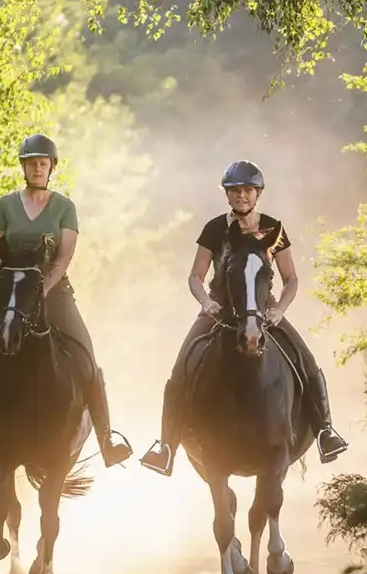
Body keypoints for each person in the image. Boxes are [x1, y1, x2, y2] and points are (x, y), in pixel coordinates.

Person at [139, 159, 349, 475]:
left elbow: (291, 279)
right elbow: (195, 276)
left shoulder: (273, 229)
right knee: (181, 367)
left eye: (247, 190)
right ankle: (166, 446)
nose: (241, 196)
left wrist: (279, 310)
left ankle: (325, 431)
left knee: (305, 359)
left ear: (258, 193)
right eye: (234, 191)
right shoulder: (214, 229)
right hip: (220, 311)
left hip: (263, 311)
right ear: (227, 195)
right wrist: (205, 301)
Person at [0, 133, 132, 467]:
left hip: (54, 295)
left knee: (86, 356)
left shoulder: (64, 207)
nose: (37, 169)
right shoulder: (5, 205)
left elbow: (63, 259)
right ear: (24, 168)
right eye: (32, 164)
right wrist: (5, 286)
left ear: (52, 167)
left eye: (43, 163)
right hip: (12, 292)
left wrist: (39, 292)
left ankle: (107, 438)